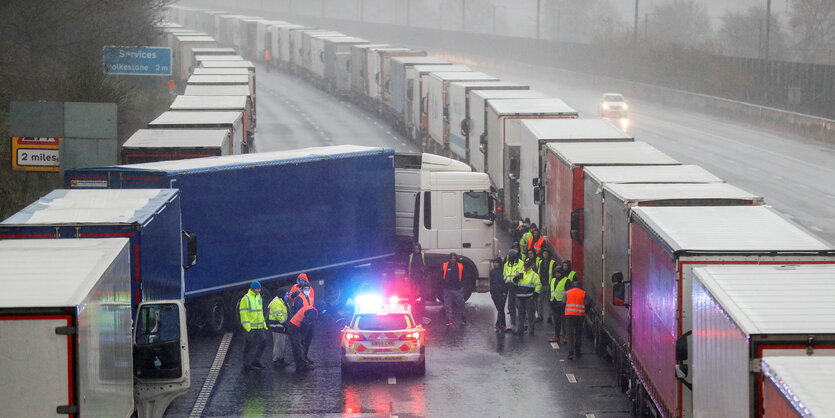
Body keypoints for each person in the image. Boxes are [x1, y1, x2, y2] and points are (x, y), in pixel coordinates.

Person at [287, 286, 317, 372]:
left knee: (300, 345)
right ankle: (301, 365)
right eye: (305, 289)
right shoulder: (300, 299)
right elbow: (304, 321)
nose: (307, 291)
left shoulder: (309, 301)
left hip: (296, 325)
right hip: (296, 326)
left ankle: (301, 363)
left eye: (308, 289)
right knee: (298, 345)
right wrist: (303, 333)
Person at [240, 281, 267, 370]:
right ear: (252, 289)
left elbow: (260, 312)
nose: (259, 290)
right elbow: (243, 314)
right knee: (249, 345)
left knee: (263, 342)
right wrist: (247, 327)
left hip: (259, 326)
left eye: (259, 288)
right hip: (250, 327)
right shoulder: (246, 299)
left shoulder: (258, 297)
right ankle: (247, 364)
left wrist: (263, 323)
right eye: (257, 288)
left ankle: (255, 360)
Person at [512, 258, 541, 336]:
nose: (526, 268)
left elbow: (538, 285)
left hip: (529, 298)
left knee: (531, 315)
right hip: (520, 297)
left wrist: (535, 295)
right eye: (525, 267)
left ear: (530, 266)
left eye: (527, 267)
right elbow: (514, 284)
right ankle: (520, 330)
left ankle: (531, 331)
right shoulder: (520, 274)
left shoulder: (534, 275)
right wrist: (516, 278)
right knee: (521, 315)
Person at [564, 281, 587, 360]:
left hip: (569, 316)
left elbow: (564, 303)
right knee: (578, 334)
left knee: (570, 334)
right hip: (580, 316)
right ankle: (577, 351)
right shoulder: (584, 293)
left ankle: (570, 353)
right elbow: (588, 303)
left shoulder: (568, 293)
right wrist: (584, 311)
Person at [441, 253, 466, 326]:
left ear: (456, 259)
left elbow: (464, 276)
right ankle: (449, 319)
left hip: (457, 288)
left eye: (454, 258)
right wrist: (443, 284)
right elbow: (441, 275)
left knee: (461, 303)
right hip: (447, 288)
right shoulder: (445, 265)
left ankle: (463, 316)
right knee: (447, 305)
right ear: (449, 259)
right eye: (452, 258)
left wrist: (462, 285)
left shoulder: (460, 266)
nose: (453, 260)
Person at [267, 290, 290, 368]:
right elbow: (279, 315)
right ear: (282, 295)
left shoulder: (280, 301)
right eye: (286, 294)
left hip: (280, 326)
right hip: (277, 326)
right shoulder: (276, 302)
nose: (287, 296)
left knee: (282, 344)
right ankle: (276, 360)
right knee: (278, 344)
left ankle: (281, 359)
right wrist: (284, 323)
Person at [503, 249, 524, 333]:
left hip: (518, 288)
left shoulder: (521, 264)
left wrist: (517, 278)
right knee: (511, 306)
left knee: (520, 306)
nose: (510, 259)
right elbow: (504, 274)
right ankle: (513, 324)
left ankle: (521, 325)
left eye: (511, 257)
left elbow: (523, 275)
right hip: (510, 287)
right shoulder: (506, 264)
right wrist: (506, 281)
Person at [549, 267, 571, 343]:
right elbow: (550, 290)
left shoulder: (566, 280)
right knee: (556, 321)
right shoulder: (553, 280)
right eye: (556, 273)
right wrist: (550, 300)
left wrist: (564, 303)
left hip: (563, 304)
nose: (557, 274)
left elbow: (568, 293)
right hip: (554, 304)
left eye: (558, 273)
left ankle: (566, 336)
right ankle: (556, 336)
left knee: (564, 322)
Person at [536, 248, 557, 324]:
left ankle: (549, 317)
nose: (545, 255)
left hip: (549, 285)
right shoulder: (540, 262)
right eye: (544, 254)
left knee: (549, 302)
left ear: (549, 255)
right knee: (540, 301)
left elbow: (555, 274)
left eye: (546, 254)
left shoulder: (553, 263)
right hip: (541, 284)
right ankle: (540, 316)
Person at [489, 257, 507, 332]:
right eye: (494, 262)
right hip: (494, 293)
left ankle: (498, 324)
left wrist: (504, 291)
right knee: (500, 309)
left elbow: (505, 282)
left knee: (500, 308)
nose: (495, 264)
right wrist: (491, 291)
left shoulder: (504, 271)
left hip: (502, 293)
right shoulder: (492, 271)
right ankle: (503, 324)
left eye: (496, 262)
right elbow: (491, 281)